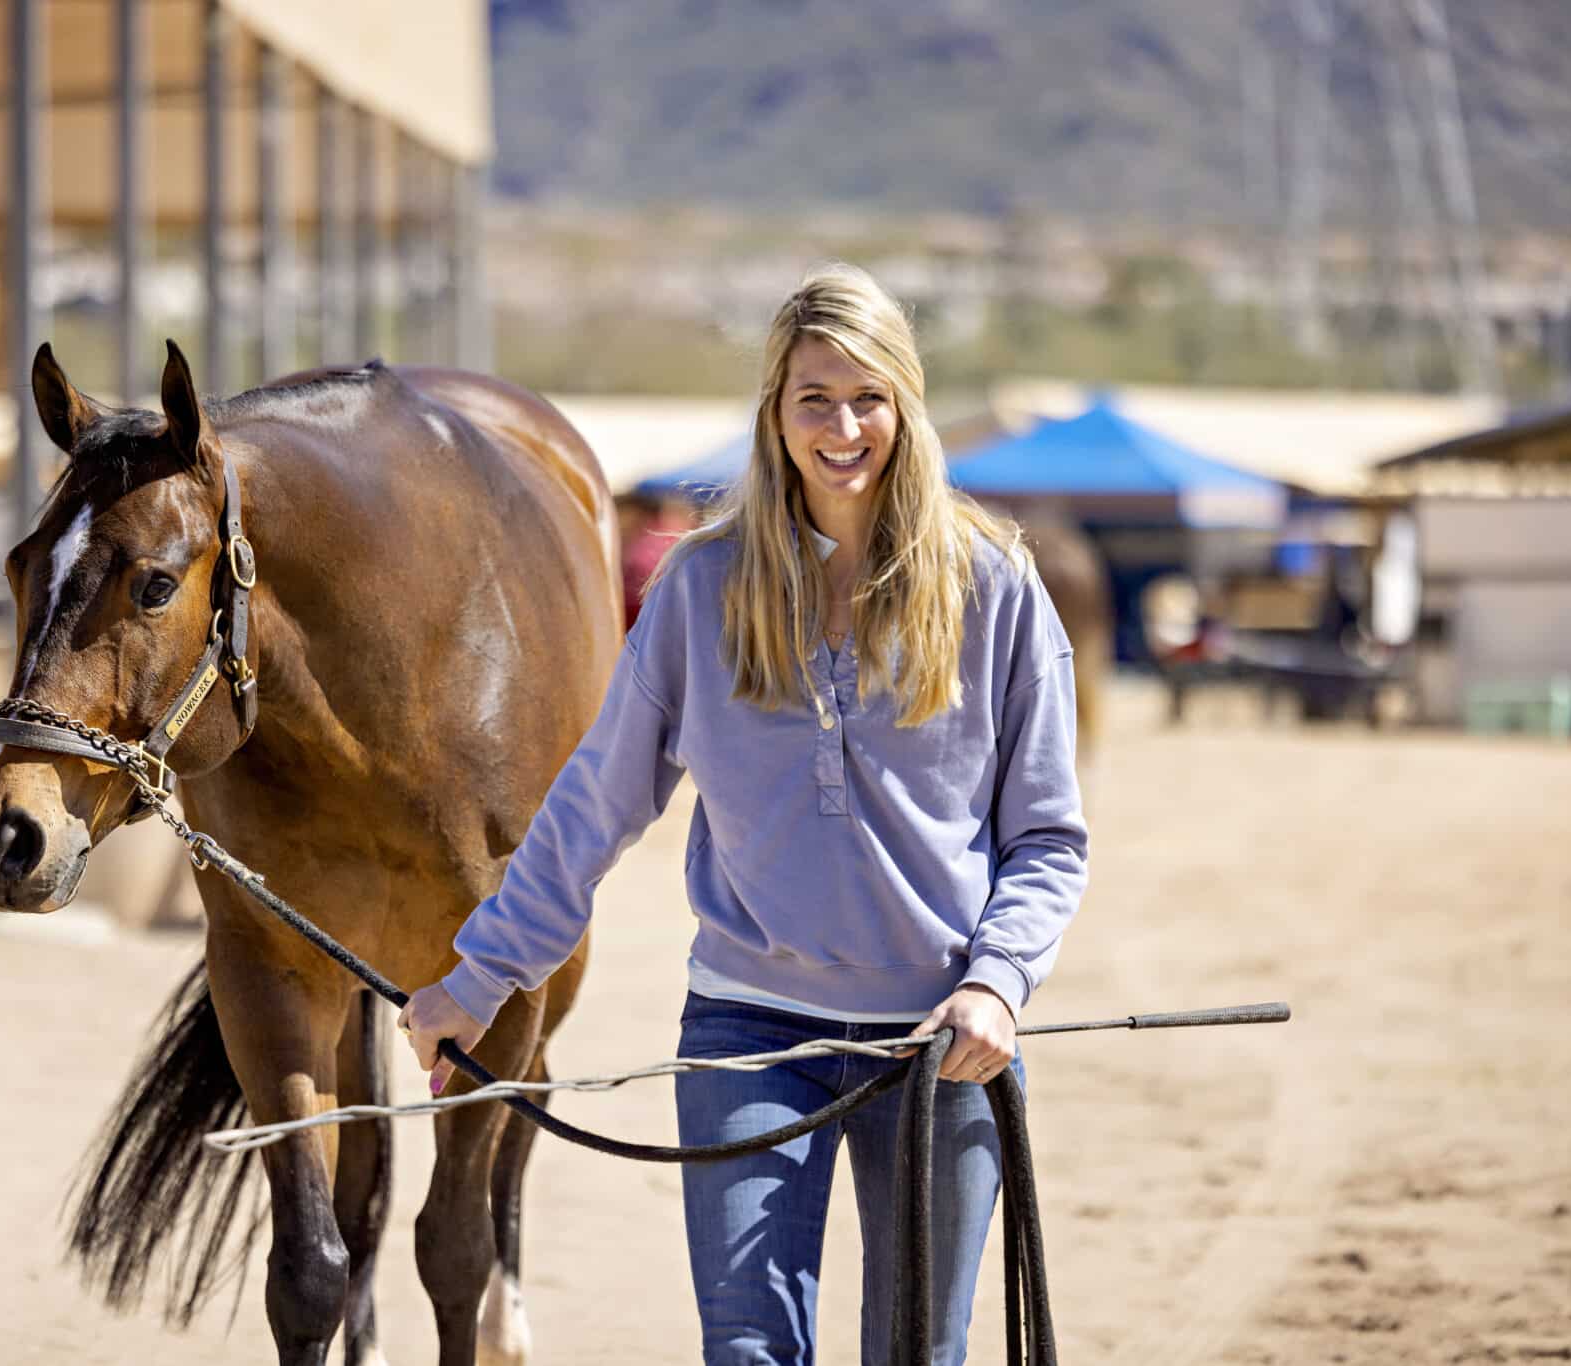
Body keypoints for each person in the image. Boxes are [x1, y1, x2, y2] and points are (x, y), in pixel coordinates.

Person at [399, 263, 1088, 1366]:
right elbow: (594, 804)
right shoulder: (698, 586)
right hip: (748, 1033)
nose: (842, 424)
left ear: (905, 406)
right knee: (750, 1351)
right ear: (774, 411)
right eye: (813, 397)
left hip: (943, 1044)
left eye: (867, 396)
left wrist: (996, 982)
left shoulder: (994, 585)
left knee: (919, 1351)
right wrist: (478, 975)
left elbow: (1047, 838)